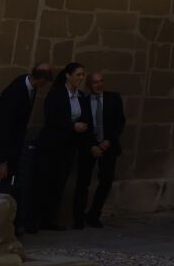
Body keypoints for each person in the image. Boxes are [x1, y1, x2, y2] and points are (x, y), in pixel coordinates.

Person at [0, 62, 52, 235]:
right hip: (1, 146)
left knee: (8, 185)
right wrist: (2, 161)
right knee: (0, 185)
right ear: (41, 79)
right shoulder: (15, 92)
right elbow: (3, 127)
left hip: (12, 146)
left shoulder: (29, 88)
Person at [36, 63, 93, 230]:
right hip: (52, 145)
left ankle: (49, 219)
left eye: (83, 75)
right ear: (68, 75)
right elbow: (52, 118)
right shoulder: (57, 94)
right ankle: (34, 220)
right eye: (78, 75)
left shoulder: (80, 96)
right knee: (44, 182)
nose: (81, 78)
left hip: (69, 147)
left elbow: (85, 116)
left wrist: (82, 126)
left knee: (59, 184)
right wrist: (71, 126)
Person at [75, 70, 125, 228]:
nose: (99, 85)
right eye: (95, 82)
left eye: (101, 81)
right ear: (89, 85)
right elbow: (81, 123)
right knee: (83, 181)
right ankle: (78, 216)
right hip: (90, 146)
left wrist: (109, 140)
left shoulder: (113, 98)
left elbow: (119, 122)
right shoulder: (83, 100)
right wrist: (91, 146)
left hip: (108, 146)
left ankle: (94, 214)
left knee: (106, 181)